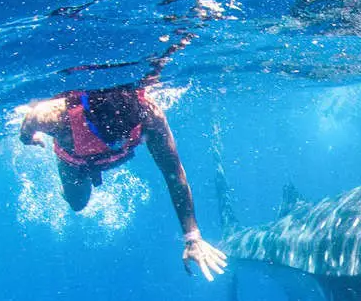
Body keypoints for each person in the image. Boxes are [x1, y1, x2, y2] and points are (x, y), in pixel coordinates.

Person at [15, 81, 228, 280]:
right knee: (78, 203)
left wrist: (193, 237)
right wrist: (31, 140)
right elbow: (25, 132)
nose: (120, 140)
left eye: (125, 133)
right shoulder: (53, 116)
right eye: (112, 135)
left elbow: (174, 175)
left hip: (110, 159)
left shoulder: (150, 117)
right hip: (75, 164)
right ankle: (65, 189)